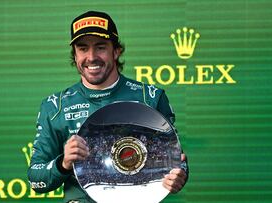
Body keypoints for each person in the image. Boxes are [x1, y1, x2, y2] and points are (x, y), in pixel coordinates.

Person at [28, 10, 188, 203]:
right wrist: (63, 163)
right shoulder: (55, 107)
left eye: (101, 47)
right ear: (75, 54)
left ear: (116, 51)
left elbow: (176, 161)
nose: (91, 57)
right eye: (82, 48)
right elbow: (36, 180)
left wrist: (179, 177)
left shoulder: (151, 98)